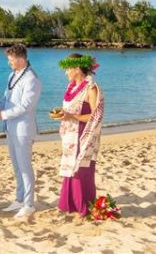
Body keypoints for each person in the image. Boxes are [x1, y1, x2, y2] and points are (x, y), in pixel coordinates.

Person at [0, 44, 42, 218]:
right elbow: (6, 98)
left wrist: (1, 115)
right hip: (10, 128)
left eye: (11, 60)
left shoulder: (32, 79)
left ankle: (28, 203)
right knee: (17, 166)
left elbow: (25, 107)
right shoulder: (13, 75)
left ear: (21, 59)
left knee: (25, 167)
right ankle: (19, 199)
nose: (9, 63)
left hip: (23, 129)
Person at [56, 53, 104, 217]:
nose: (66, 72)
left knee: (80, 170)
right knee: (70, 168)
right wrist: (64, 115)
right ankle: (70, 204)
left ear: (77, 69)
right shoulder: (71, 86)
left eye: (68, 68)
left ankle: (83, 207)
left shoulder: (91, 88)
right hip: (70, 134)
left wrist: (71, 116)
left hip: (84, 136)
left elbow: (95, 115)